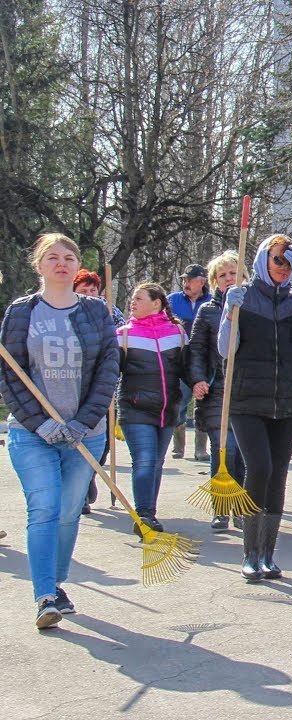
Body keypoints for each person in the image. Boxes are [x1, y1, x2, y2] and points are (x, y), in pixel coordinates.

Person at [1, 234, 119, 629]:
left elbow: (108, 370)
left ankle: (57, 582)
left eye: (69, 257)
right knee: (45, 508)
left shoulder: (95, 312)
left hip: (86, 432)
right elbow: (10, 375)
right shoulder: (22, 312)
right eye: (52, 257)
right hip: (31, 433)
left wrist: (83, 422)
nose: (62, 263)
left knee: (69, 512)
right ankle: (45, 596)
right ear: (39, 264)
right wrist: (43, 422)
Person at [219, 235, 292, 582]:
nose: (284, 268)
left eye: (291, 262)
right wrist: (228, 312)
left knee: (278, 472)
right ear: (263, 260)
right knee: (260, 467)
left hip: (290, 398)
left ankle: (268, 553)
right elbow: (226, 349)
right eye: (279, 260)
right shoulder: (244, 297)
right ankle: (249, 552)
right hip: (248, 398)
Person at [117, 282, 189, 537]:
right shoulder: (124, 334)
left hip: (168, 410)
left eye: (138, 298)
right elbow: (110, 372)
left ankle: (150, 512)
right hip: (135, 409)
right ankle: (144, 515)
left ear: (157, 303)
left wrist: (200, 383)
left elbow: (187, 368)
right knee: (145, 461)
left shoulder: (177, 334)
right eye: (132, 299)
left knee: (156, 463)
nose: (132, 303)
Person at [189, 251, 247, 531]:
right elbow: (197, 349)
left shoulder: (254, 306)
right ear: (214, 281)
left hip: (247, 390)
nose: (228, 278)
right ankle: (221, 507)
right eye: (222, 275)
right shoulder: (208, 311)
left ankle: (243, 507)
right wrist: (198, 379)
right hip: (216, 389)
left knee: (245, 452)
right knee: (223, 450)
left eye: (233, 273)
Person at [72, 269, 125, 513]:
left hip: (105, 386)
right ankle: (80, 490)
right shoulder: (69, 312)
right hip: (75, 387)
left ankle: (91, 474)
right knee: (78, 439)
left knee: (102, 443)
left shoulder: (110, 312)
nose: (89, 295)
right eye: (84, 291)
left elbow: (122, 345)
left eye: (93, 290)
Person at [168, 264, 212, 462]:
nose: (185, 283)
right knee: (179, 401)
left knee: (203, 401)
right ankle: (179, 447)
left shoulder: (211, 302)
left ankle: (201, 449)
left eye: (189, 279)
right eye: (184, 279)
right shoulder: (173, 300)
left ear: (202, 282)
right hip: (181, 360)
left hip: (205, 360)